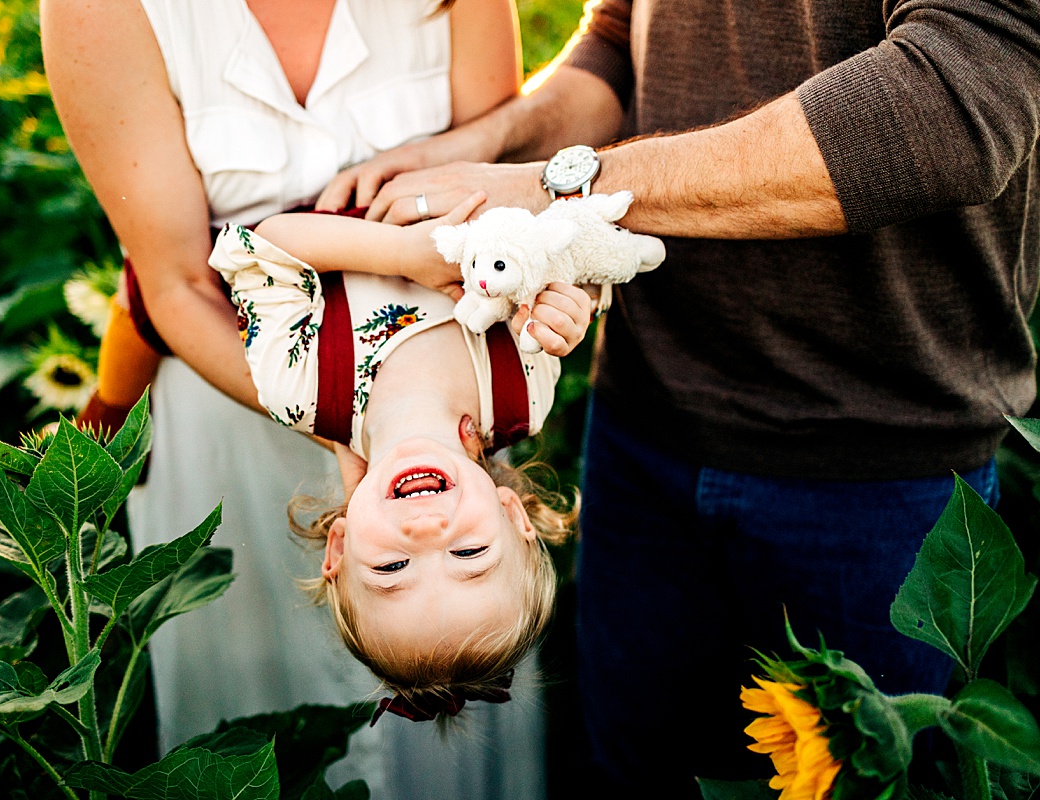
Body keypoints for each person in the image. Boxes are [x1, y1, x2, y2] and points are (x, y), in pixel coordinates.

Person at [319, 0, 1040, 794]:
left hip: (876, 457)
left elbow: (950, 102)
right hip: (644, 429)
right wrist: (490, 144)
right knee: (636, 773)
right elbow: (624, 42)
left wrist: (556, 189)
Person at [40, 1, 558, 796]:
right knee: (254, 730)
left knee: (446, 699)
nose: (427, 533)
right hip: (232, 404)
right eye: (461, 551)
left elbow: (498, 187)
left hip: (441, 422)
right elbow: (175, 280)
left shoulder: (475, 478)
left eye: (397, 556)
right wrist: (335, 413)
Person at [207, 200, 599, 718]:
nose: (428, 530)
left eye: (392, 567)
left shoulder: (302, 390)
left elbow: (261, 247)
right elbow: (560, 244)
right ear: (512, 514)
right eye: (469, 554)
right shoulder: (522, 395)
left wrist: (405, 252)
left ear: (340, 547)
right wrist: (565, 306)